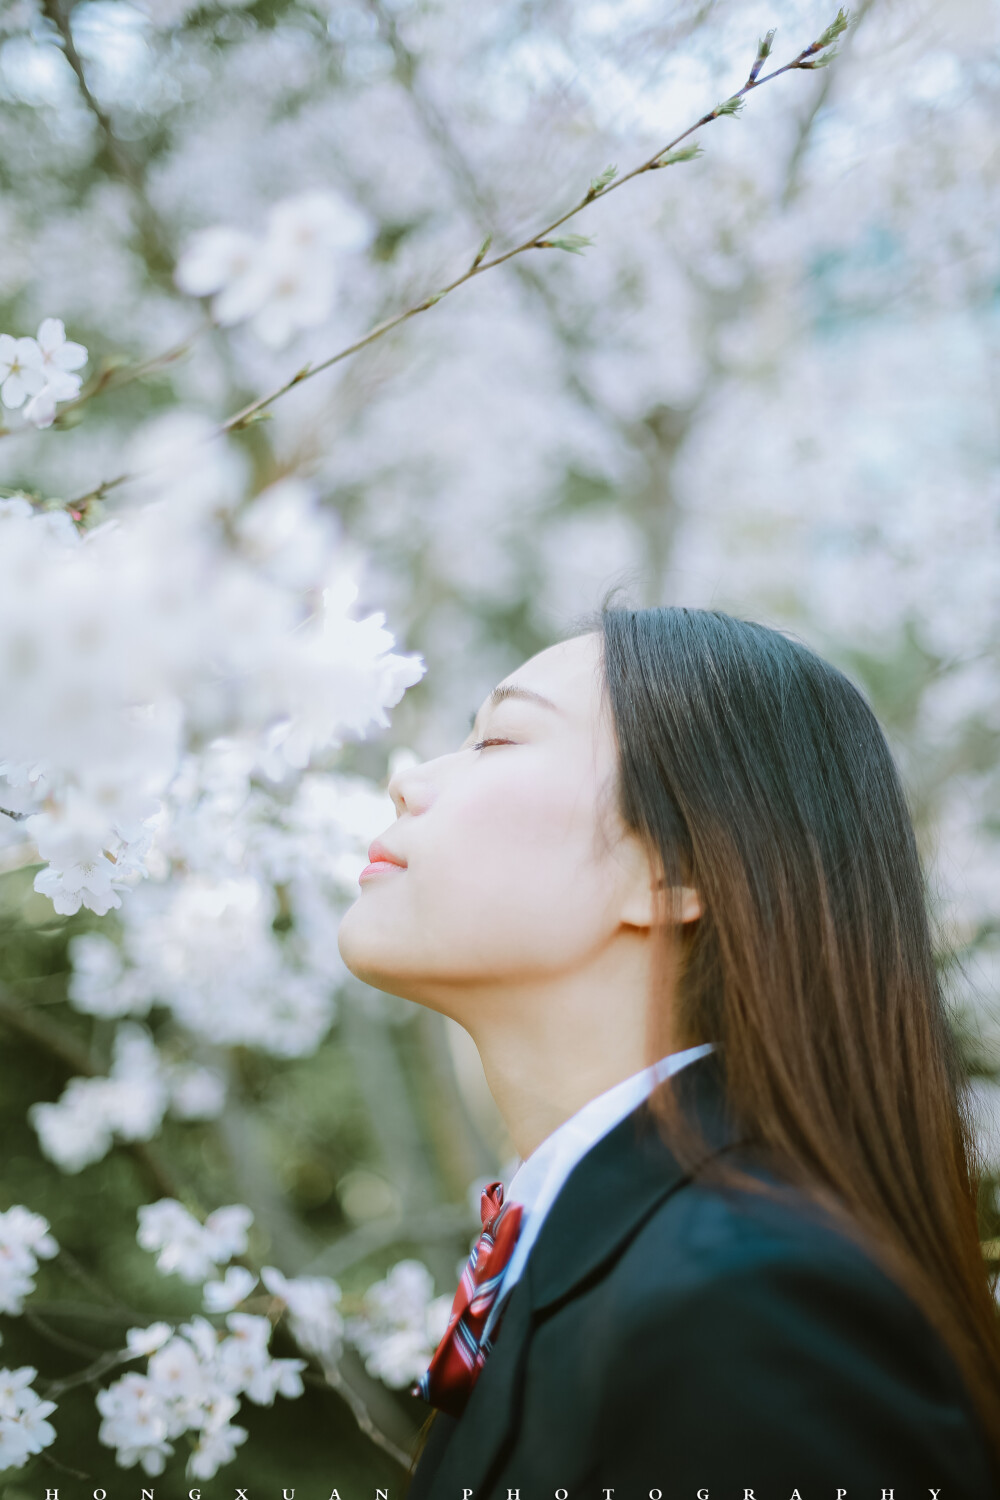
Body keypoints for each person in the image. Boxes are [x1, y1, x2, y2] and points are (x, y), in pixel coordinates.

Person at [337, 604, 1000, 1498]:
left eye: (496, 741)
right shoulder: (629, 1269)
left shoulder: (752, 1301)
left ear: (674, 865)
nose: (409, 781)